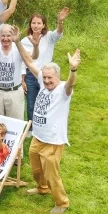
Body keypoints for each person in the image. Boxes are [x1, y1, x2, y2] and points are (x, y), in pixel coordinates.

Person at [12, 26, 80, 214]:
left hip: (53, 140)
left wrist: (73, 69)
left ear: (58, 77)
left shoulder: (63, 91)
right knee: (36, 170)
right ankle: (42, 188)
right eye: (46, 77)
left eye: (51, 78)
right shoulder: (42, 80)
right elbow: (27, 59)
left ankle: (62, 203)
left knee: (52, 173)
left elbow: (71, 83)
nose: (47, 81)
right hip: (38, 137)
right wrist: (18, 42)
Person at [21, 7, 70, 136]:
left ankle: (47, 124)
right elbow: (23, 60)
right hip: (31, 75)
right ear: (30, 24)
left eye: (39, 23)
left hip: (46, 75)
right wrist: (22, 79)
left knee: (47, 101)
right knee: (31, 103)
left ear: (43, 25)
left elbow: (58, 33)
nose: (36, 25)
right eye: (33, 23)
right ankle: (31, 128)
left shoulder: (49, 37)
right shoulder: (25, 41)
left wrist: (60, 21)